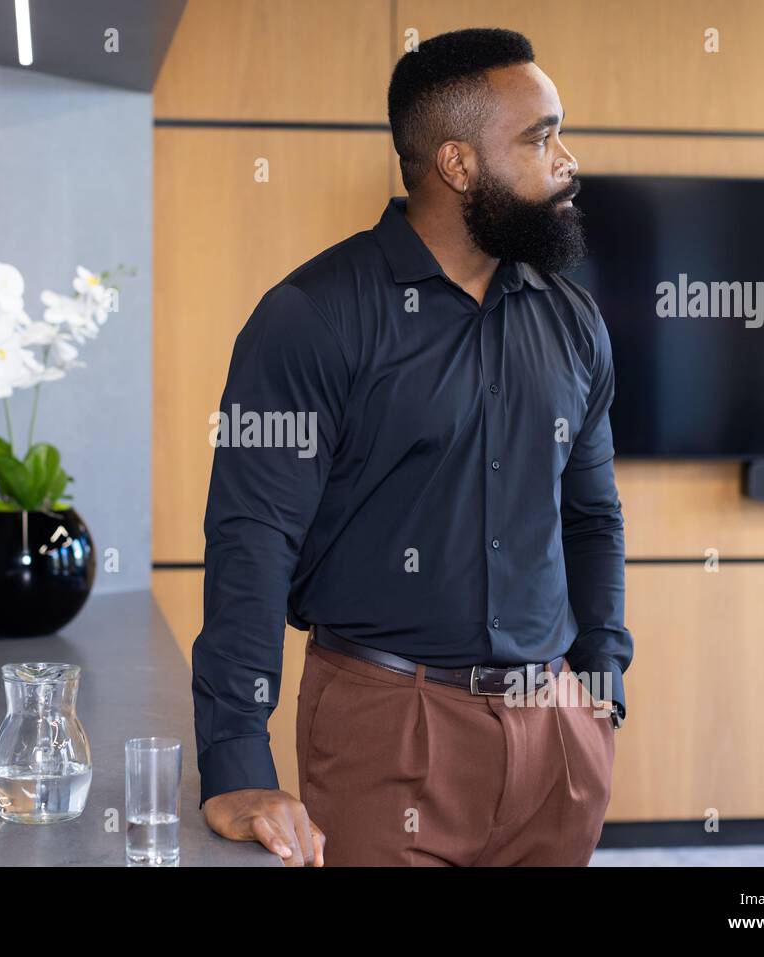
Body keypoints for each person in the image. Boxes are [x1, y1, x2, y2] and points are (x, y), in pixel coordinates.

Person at [191, 27, 633, 866]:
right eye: (541, 138)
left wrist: (601, 685)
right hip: (385, 734)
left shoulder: (575, 321)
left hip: (556, 743)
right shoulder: (312, 316)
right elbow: (252, 539)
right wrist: (236, 763)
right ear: (458, 165)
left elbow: (593, 515)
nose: (567, 160)